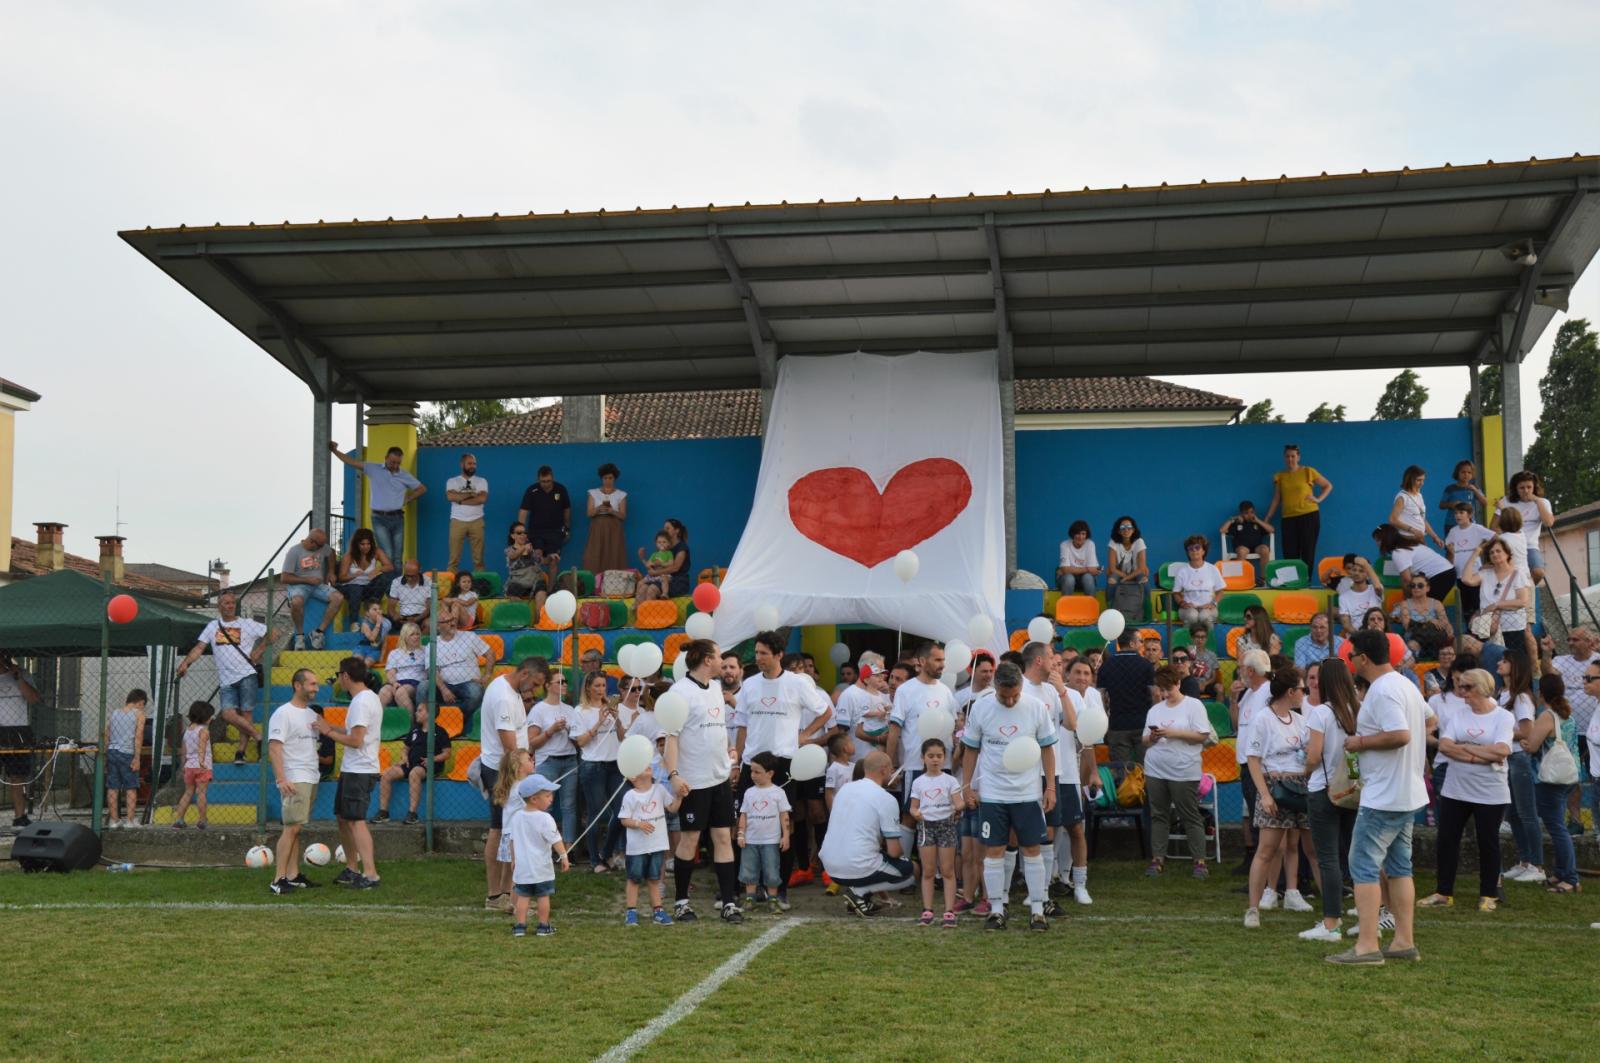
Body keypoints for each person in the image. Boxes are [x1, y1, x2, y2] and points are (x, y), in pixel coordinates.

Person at [1327, 629, 1427, 966]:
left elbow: (1400, 734)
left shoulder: (1383, 691)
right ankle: (1403, 941)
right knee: (1400, 868)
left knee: (1363, 867)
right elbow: (1428, 722)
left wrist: (1360, 743)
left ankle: (1367, 946)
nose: (1349, 661)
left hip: (1384, 796)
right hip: (1406, 792)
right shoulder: (1405, 684)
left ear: (1364, 658)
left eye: (1351, 656)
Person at [732, 632, 833, 903]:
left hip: (785, 762)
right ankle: (746, 885)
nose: (759, 658)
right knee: (746, 823)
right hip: (752, 762)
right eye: (756, 653)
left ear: (778, 655)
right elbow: (741, 725)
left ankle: (780, 889)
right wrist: (737, 759)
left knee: (782, 825)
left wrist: (805, 735)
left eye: (764, 653)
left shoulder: (797, 683)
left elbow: (825, 711)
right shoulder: (750, 685)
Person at [961, 662, 1058, 931]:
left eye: (1015, 694)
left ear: (1021, 686)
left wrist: (1050, 787)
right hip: (993, 793)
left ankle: (1038, 909)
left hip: (1027, 794)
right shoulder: (981, 708)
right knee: (994, 850)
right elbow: (971, 750)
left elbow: (1048, 750)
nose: (1011, 699)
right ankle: (996, 908)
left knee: (1032, 849)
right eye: (1005, 696)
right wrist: (966, 786)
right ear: (995, 688)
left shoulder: (1036, 708)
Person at [1417, 668, 1514, 912]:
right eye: (1460, 686)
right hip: (1456, 788)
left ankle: (1489, 894)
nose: (1461, 692)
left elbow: (1502, 751)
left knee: (1487, 841)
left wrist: (1466, 748)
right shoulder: (1459, 715)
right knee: (1447, 840)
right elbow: (1446, 746)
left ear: (1482, 688)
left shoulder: (1502, 717)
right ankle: (1443, 891)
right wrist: (1482, 754)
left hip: (1490, 791)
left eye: (1467, 687)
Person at [662, 639, 742, 924]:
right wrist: (674, 776)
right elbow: (671, 739)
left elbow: (718, 729)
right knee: (691, 839)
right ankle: (682, 902)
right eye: (720, 656)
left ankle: (729, 903)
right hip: (693, 781)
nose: (724, 662)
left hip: (719, 777)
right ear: (707, 660)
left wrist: (729, 749)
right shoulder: (680, 693)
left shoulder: (717, 689)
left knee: (723, 838)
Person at [1242, 666, 1314, 927]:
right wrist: (1265, 795)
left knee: (1296, 844)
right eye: (1302, 689)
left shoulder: (1300, 720)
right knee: (1266, 849)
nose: (1304, 694)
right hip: (1275, 786)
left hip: (1299, 787)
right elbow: (1253, 759)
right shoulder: (1263, 718)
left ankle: (1292, 892)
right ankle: (1253, 907)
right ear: (1290, 691)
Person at [1301, 658, 1360, 940]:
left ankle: (1331, 923)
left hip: (1323, 790)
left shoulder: (1321, 712)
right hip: (1351, 790)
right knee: (1355, 856)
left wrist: (1304, 770)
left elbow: (1314, 755)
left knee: (1328, 859)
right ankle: (1367, 913)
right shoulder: (1357, 708)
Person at [313, 658, 383, 888]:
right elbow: (354, 731)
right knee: (343, 818)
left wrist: (327, 732)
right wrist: (331, 727)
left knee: (355, 820)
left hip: (360, 769)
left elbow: (355, 740)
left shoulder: (362, 702)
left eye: (338, 674)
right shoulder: (364, 699)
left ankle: (370, 874)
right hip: (353, 768)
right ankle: (352, 868)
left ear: (345, 676)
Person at [176, 592, 268, 765]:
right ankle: (258, 736)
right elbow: (199, 647)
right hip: (226, 679)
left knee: (246, 713)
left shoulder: (246, 624)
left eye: (233, 603)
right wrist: (185, 663)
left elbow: (273, 632)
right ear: (219, 606)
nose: (230, 606)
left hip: (247, 674)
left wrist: (258, 651)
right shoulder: (212, 626)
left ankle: (241, 752)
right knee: (227, 714)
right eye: (226, 603)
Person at [1142, 665, 1215, 880]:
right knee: (1159, 815)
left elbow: (1202, 735)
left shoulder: (1194, 706)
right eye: (1162, 689)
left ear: (1178, 683)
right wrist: (1153, 737)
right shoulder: (1155, 710)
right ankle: (1158, 859)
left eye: (1169, 689)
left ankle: (1199, 862)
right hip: (1155, 768)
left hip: (1184, 769)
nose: (1165, 694)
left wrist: (1174, 733)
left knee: (1189, 815)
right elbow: (1145, 739)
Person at [820, 750, 916, 915]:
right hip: (856, 865)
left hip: (830, 866)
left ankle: (861, 899)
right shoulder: (886, 798)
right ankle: (859, 893)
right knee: (913, 870)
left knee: (873, 858)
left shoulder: (845, 789)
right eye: (892, 769)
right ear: (884, 769)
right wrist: (903, 855)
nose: (893, 773)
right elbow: (894, 851)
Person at [480, 658, 540, 909]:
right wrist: (525, 766)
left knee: (510, 831)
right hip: (501, 772)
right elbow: (508, 744)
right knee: (498, 830)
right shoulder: (504, 696)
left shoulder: (511, 690)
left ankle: (507, 892)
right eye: (535, 684)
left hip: (510, 770)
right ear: (524, 673)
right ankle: (495, 895)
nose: (535, 690)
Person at [266, 669, 323, 894]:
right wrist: (281, 778)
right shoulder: (283, 713)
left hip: (311, 775)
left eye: (316, 684)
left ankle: (293, 875)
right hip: (295, 777)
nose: (316, 688)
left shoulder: (311, 715)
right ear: (297, 686)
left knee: (296, 828)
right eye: (311, 684)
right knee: (291, 828)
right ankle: (278, 879)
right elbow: (274, 747)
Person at [330, 443, 425, 564]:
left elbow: (422, 488)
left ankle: (395, 583)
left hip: (397, 517)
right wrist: (335, 451)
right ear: (386, 458)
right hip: (379, 518)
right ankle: (389, 582)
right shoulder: (373, 469)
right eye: (392, 462)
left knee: (397, 556)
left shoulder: (404, 475)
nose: (395, 465)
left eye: (398, 463)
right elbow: (352, 462)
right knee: (387, 554)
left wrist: (407, 498)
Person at [1527, 673, 1579, 894]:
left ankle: (1571, 877)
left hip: (1551, 776)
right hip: (1569, 774)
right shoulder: (1567, 714)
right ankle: (1560, 872)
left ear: (1541, 693)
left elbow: (1532, 745)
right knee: (1557, 824)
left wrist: (1522, 740)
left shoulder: (1547, 716)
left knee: (1557, 827)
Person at [571, 671, 627, 873]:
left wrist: (618, 720)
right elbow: (580, 742)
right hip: (593, 765)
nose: (601, 689)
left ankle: (606, 852)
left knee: (623, 810)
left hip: (614, 764)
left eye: (603, 685)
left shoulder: (611, 708)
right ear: (588, 688)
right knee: (595, 814)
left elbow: (622, 738)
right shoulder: (580, 711)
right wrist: (598, 723)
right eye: (596, 686)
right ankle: (595, 860)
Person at [1496, 653, 1544, 883]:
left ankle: (1537, 864)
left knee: (1527, 812)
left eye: (1504, 661)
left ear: (1515, 667)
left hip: (1518, 758)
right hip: (1507, 758)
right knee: (1513, 813)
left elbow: (1526, 731)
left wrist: (1499, 734)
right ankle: (1524, 860)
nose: (1499, 664)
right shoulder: (1502, 694)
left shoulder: (1522, 697)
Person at [618, 763, 681, 926]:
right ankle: (631, 912)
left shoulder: (659, 789)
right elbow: (624, 819)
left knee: (654, 879)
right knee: (634, 879)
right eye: (641, 765)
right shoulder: (630, 795)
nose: (647, 765)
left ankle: (658, 911)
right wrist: (639, 824)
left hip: (657, 844)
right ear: (633, 777)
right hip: (637, 848)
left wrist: (680, 796)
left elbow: (673, 808)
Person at [508, 774, 570, 937]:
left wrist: (514, 860)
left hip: (523, 868)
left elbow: (512, 840)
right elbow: (556, 839)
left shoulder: (516, 817)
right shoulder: (545, 818)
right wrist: (564, 856)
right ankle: (543, 926)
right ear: (534, 799)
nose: (551, 799)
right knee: (543, 896)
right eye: (548, 795)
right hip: (541, 867)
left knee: (523, 897)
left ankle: (520, 926)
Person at [889, 644, 950, 808]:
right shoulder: (905, 691)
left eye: (943, 660)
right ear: (922, 661)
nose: (942, 664)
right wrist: (890, 765)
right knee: (910, 815)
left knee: (941, 816)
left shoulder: (946, 691)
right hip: (915, 765)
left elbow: (954, 727)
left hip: (944, 767)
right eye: (937, 660)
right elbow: (894, 730)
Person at [1060, 658, 1100, 904]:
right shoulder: (1055, 695)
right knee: (1050, 832)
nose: (1082, 677)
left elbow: (1088, 741)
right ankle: (1053, 879)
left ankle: (1079, 884)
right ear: (1067, 673)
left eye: (1087, 673)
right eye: (1077, 672)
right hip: (1049, 773)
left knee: (1075, 829)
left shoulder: (1089, 701)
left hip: (1072, 774)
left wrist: (1093, 772)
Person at [1549, 627, 1598, 829]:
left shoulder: (1597, 662)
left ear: (1589, 642)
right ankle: (1576, 821)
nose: (1570, 643)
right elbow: (1548, 675)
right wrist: (1545, 653)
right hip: (1571, 731)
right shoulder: (1561, 660)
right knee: (1571, 777)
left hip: (1592, 731)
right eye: (1568, 639)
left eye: (1575, 639)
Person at [909, 738, 960, 927]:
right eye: (931, 756)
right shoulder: (918, 782)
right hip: (925, 828)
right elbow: (913, 808)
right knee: (928, 871)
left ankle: (949, 911)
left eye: (939, 756)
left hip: (946, 826)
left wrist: (960, 805)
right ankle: (927, 910)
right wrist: (916, 814)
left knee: (947, 870)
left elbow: (958, 802)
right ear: (923, 758)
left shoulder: (951, 780)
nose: (935, 760)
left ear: (944, 758)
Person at [375, 703, 451, 825]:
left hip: (428, 765)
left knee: (414, 773)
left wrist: (432, 759)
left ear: (429, 714)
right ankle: (383, 812)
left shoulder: (440, 732)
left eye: (420, 711)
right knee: (387, 774)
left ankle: (412, 814)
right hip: (410, 764)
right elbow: (405, 748)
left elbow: (447, 753)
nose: (416, 713)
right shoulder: (415, 730)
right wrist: (404, 757)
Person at [1230, 650, 1273, 865]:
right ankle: (1256, 868)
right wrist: (1232, 699)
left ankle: (1262, 871)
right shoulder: (1248, 693)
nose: (1239, 672)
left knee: (1260, 820)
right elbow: (1237, 724)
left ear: (1250, 670)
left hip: (1259, 765)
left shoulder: (1267, 693)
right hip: (1246, 763)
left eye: (1240, 667)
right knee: (1255, 817)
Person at [736, 751, 792, 912]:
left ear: (770, 773)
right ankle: (749, 898)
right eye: (751, 771)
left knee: (772, 870)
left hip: (771, 841)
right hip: (750, 840)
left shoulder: (778, 793)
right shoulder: (749, 793)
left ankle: (772, 900)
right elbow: (744, 815)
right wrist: (741, 834)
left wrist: (785, 836)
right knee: (748, 870)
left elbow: (784, 816)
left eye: (757, 772)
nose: (753, 775)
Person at [527, 669, 579, 845]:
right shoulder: (538, 710)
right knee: (545, 806)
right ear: (548, 686)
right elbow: (532, 743)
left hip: (570, 759)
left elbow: (578, 739)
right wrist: (551, 731)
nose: (564, 685)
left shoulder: (570, 709)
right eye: (560, 682)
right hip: (548, 760)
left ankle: (568, 848)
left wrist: (571, 731)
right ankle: (545, 847)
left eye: (565, 682)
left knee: (569, 806)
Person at [1459, 538, 1530, 658]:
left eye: (1498, 551)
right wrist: (1476, 552)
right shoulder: (1485, 574)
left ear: (1507, 554)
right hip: (1488, 628)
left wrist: (1497, 605)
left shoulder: (1518, 574)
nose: (1495, 554)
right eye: (1491, 552)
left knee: (1514, 662)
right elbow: (1466, 579)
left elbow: (1522, 601)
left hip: (1511, 627)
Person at [1265, 443, 1332, 570]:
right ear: (1284, 458)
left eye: (1293, 456)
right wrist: (1268, 518)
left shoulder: (1308, 471)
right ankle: (1293, 582)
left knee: (1308, 551)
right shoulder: (1280, 476)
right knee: (1289, 553)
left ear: (1298, 457)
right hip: (1288, 518)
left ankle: (1306, 581)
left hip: (1309, 516)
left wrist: (1318, 499)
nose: (1290, 459)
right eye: (1287, 456)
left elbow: (1328, 485)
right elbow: (1277, 499)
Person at [1097, 629, 1156, 765]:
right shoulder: (1146, 665)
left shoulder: (1106, 666)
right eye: (1140, 641)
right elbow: (1155, 693)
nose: (1142, 644)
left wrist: (1105, 716)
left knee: (1120, 769)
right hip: (1142, 723)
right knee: (1146, 768)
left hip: (1117, 725)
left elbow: (1100, 695)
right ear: (1132, 643)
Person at [280, 528, 346, 651]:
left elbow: (331, 552)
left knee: (338, 598)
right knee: (296, 602)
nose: (322, 548)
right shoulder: (294, 552)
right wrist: (307, 580)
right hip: (299, 585)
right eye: (320, 545)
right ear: (311, 541)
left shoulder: (321, 547)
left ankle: (318, 632)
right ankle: (299, 637)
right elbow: (284, 578)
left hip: (318, 586)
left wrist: (331, 572)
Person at [0, 654, 41, 827]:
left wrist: (18, 678)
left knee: (17, 776)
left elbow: (33, 699)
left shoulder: (22, 674)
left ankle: (19, 817)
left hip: (18, 729)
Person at [1495, 470, 1555, 584]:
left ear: (1534, 487)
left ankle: (1526, 591)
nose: (1526, 491)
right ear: (1515, 489)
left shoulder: (1543, 502)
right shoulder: (1506, 501)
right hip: (1507, 545)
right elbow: (1493, 527)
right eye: (1522, 488)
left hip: (1530, 546)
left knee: (1538, 572)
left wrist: (1537, 501)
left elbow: (1548, 523)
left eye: (1529, 487)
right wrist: (1505, 537)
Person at [517, 465, 572, 588]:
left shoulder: (561, 489)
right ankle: (535, 590)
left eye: (548, 481)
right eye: (543, 481)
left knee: (553, 561)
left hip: (555, 532)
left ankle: (550, 591)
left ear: (553, 479)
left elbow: (567, 509)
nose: (546, 484)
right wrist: (521, 533)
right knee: (537, 557)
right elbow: (523, 512)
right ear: (538, 480)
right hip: (536, 532)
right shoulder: (532, 491)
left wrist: (567, 528)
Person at [431, 614, 491, 722]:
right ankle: (429, 721)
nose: (452, 623)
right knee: (423, 688)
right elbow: (431, 670)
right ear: (438, 626)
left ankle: (455, 718)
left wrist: (487, 675)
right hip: (445, 685)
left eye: (452, 619)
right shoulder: (433, 644)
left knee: (476, 692)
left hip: (468, 683)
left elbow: (490, 654)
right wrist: (444, 689)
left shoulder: (469, 637)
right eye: (447, 621)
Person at [1387, 566, 1454, 661]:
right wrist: (1428, 621)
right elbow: (1408, 626)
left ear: (1428, 588)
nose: (1416, 588)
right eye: (1413, 586)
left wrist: (1449, 629)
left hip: (1434, 637)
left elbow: (1445, 623)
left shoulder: (1436, 603)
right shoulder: (1405, 604)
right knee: (1413, 643)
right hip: (1414, 636)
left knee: (1438, 635)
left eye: (1420, 585)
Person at [103, 689, 146, 829]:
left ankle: (114, 821)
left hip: (112, 752)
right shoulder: (139, 714)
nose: (142, 707)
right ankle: (130, 820)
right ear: (140, 702)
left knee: (113, 787)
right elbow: (138, 736)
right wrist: (137, 758)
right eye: (143, 704)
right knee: (131, 787)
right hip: (127, 753)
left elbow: (106, 733)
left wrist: (105, 753)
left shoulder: (114, 713)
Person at [1444, 502, 1494, 621]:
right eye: (1456, 513)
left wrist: (1482, 548)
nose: (1458, 516)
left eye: (1461, 512)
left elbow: (1495, 537)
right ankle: (1470, 630)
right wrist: (1451, 552)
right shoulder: (1453, 531)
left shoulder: (1477, 528)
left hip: (1474, 573)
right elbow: (1449, 550)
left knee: (1477, 603)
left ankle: (1480, 630)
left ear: (1470, 514)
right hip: (1460, 574)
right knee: (1466, 607)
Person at [335, 528, 394, 626]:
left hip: (367, 588)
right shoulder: (349, 556)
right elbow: (341, 578)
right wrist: (353, 575)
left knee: (384, 578)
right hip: (350, 588)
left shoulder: (376, 552)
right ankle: (354, 623)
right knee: (356, 588)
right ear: (356, 544)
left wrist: (377, 570)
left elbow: (390, 567)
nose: (366, 547)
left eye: (368, 544)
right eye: (362, 544)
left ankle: (373, 612)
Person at [838, 652, 890, 763]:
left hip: (881, 762)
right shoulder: (849, 694)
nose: (883, 676)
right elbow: (841, 733)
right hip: (858, 761)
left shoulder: (883, 694)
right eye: (879, 671)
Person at [171, 701, 215, 829]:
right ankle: (202, 820)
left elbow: (184, 751)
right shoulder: (204, 731)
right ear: (205, 716)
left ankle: (179, 819)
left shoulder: (187, 731)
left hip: (189, 766)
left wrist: (184, 765)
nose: (212, 718)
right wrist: (201, 761)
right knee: (201, 793)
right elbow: (202, 746)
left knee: (188, 792)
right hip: (202, 766)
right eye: (210, 716)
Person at [444, 453, 489, 573]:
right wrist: (471, 494)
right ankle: (452, 587)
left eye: (474, 464)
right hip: (457, 521)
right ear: (462, 464)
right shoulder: (452, 481)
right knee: (453, 559)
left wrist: (459, 499)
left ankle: (480, 587)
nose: (472, 466)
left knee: (479, 559)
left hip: (477, 521)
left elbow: (482, 499)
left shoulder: (481, 481)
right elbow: (450, 496)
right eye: (469, 463)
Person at [1388, 465, 1448, 551]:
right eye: (1418, 480)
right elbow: (1392, 520)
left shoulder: (1419, 495)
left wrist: (1435, 537)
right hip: (1406, 539)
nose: (1422, 483)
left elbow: (1422, 519)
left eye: (1423, 480)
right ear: (1410, 479)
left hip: (1419, 538)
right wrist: (1413, 530)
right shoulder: (1402, 497)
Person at [582, 462, 629, 573]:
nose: (608, 480)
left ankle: (613, 583)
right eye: (605, 478)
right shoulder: (593, 493)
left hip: (614, 527)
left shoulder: (621, 494)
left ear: (614, 479)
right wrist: (599, 508)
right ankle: (594, 583)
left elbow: (623, 515)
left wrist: (612, 511)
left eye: (610, 478)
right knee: (595, 553)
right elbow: (589, 513)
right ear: (601, 478)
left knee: (613, 552)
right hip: (597, 526)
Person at [1172, 535, 1225, 626]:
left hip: (1208, 608)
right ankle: (1187, 640)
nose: (1194, 550)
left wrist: (1213, 603)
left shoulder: (1213, 569)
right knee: (1192, 616)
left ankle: (1209, 640)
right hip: (1188, 609)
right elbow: (1176, 593)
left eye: (1197, 547)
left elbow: (1220, 592)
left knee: (1204, 616)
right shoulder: (1182, 571)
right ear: (1188, 552)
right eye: (1190, 548)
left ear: (1203, 551)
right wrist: (1182, 603)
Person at [637, 520, 691, 603]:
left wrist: (655, 573)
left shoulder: (682, 548)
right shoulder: (664, 547)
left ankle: (652, 614)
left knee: (652, 589)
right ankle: (640, 613)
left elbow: (675, 568)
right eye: (664, 528)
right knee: (643, 588)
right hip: (660, 578)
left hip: (678, 581)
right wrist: (643, 558)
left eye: (668, 528)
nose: (664, 530)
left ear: (677, 530)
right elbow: (653, 565)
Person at [1106, 515, 1148, 620]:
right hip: (1119, 573)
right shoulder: (1113, 542)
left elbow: (1142, 568)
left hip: (1136, 572)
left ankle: (1147, 612)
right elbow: (1112, 568)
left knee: (1144, 582)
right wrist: (1124, 576)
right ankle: (1110, 610)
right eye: (1122, 527)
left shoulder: (1139, 542)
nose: (1126, 530)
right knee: (1111, 581)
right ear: (1119, 531)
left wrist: (1127, 578)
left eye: (1129, 527)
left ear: (1133, 529)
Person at [1331, 555, 1383, 636]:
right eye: (1354, 570)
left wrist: (1366, 564)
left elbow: (1377, 586)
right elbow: (1346, 624)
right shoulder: (1343, 597)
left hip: (1376, 635)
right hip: (1356, 638)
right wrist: (1360, 636)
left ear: (1367, 574)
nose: (1356, 573)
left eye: (1361, 571)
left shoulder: (1374, 590)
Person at [1221, 500, 1274, 574]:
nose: (1249, 515)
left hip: (1257, 547)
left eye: (1252, 512)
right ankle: (1242, 579)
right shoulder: (1237, 523)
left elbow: (1271, 530)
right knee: (1242, 551)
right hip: (1243, 547)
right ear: (1241, 514)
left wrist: (1258, 520)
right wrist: (1233, 519)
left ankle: (1264, 579)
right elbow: (1222, 530)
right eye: (1246, 513)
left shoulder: (1257, 523)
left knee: (1265, 549)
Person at [1056, 520, 1101, 595]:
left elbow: (1093, 569)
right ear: (1072, 534)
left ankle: (1090, 606)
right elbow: (1066, 570)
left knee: (1088, 578)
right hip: (1066, 580)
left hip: (1085, 579)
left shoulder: (1090, 544)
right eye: (1077, 533)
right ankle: (1066, 606)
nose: (1080, 537)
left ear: (1086, 535)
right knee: (1069, 578)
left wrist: (1069, 569)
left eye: (1083, 534)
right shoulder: (1064, 544)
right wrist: (1087, 569)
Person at [386, 560, 432, 629]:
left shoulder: (428, 581)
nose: (409, 579)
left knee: (429, 624)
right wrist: (395, 616)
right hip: (403, 618)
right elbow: (390, 608)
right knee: (384, 621)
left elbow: (429, 608)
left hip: (421, 617)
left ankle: (419, 638)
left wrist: (416, 619)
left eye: (412, 576)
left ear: (419, 571)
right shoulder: (396, 582)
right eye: (407, 575)